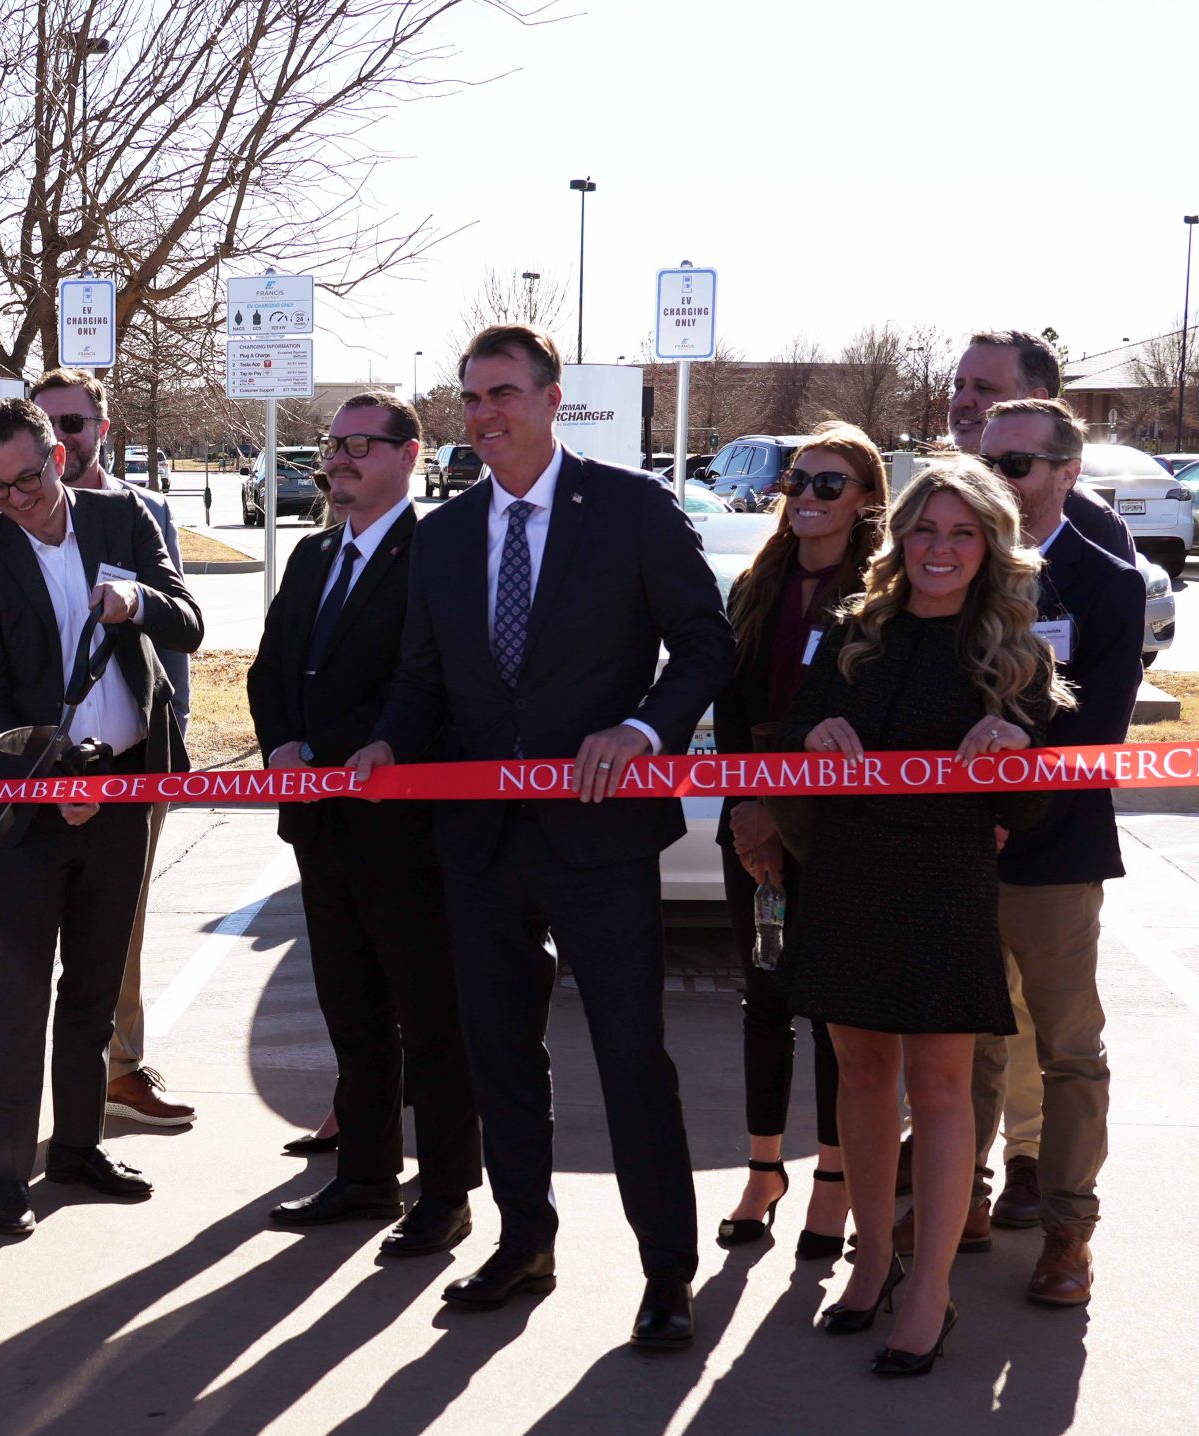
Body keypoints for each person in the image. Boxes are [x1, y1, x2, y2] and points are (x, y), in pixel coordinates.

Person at [347, 323, 732, 1348]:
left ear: (554, 399)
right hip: (478, 842)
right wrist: (388, 743)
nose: (486, 415)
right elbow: (424, 679)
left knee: (628, 1054)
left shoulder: (630, 511)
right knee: (498, 1054)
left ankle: (665, 1275)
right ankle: (522, 1241)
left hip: (599, 837)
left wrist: (645, 728)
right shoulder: (440, 535)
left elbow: (705, 644)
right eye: (471, 398)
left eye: (505, 394)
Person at [774, 461, 1066, 1376]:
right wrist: (814, 735)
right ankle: (872, 1260)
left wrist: (1018, 747)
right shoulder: (853, 628)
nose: (940, 549)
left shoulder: (1018, 649)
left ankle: (931, 1290)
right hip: (850, 874)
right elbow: (793, 734)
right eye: (926, 530)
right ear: (899, 537)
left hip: (945, 883)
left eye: (962, 533)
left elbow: (1029, 816)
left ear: (991, 546)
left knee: (940, 1088)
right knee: (859, 1070)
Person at [0, 396, 203, 1237]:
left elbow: (189, 624)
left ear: (58, 457)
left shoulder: (122, 516)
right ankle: (7, 1174)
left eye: (27, 479)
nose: (15, 499)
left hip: (127, 791)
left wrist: (136, 602)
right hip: (33, 802)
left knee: (94, 984)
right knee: (22, 988)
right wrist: (50, 775)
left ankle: (80, 1148)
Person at [247, 395, 480, 1255]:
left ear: (409, 454)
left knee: (430, 1014)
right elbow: (272, 670)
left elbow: (440, 681)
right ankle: (367, 1174)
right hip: (320, 825)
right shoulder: (313, 557)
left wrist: (357, 749)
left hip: (406, 830)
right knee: (351, 1007)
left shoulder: (437, 556)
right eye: (330, 445)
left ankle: (449, 1189)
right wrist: (281, 745)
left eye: (356, 445)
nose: (336, 459)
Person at [967, 398, 1146, 1306]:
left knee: (1069, 1049)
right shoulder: (957, 565)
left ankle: (1069, 1232)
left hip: (1057, 850)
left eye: (1021, 465)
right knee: (969, 1040)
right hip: (956, 849)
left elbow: (1095, 731)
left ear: (1068, 472)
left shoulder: (1111, 582)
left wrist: (1007, 805)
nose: (999, 479)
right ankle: (964, 1204)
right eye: (988, 459)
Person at [707, 422, 887, 1259]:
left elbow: (865, 722)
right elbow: (736, 710)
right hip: (750, 826)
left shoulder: (879, 598)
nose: (806, 496)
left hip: (835, 831)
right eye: (797, 479)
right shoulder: (758, 581)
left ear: (865, 501)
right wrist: (751, 808)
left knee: (830, 1010)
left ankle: (835, 1181)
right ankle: (763, 1168)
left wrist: (781, 808)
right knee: (765, 997)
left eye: (828, 484)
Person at [949, 329, 1136, 567]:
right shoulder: (935, 503)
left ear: (1036, 401)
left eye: (984, 388)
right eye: (959, 386)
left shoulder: (1092, 524)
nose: (963, 400)